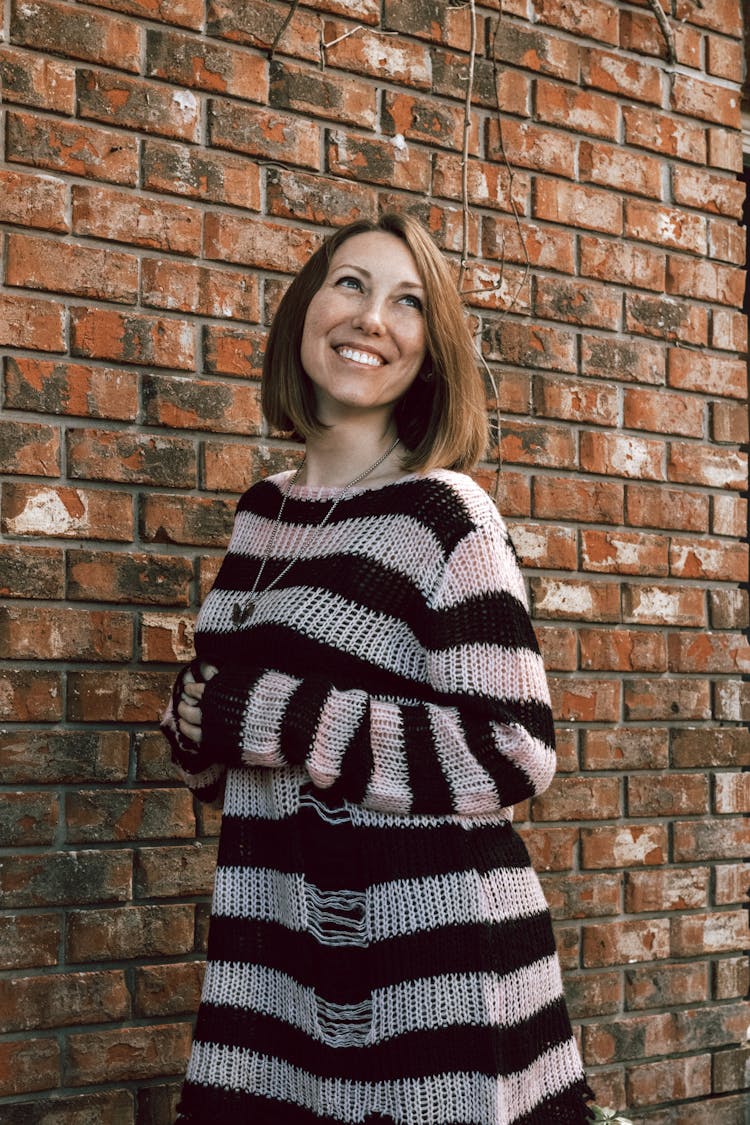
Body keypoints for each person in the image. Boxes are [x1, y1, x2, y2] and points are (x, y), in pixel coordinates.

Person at [161, 212, 595, 1124]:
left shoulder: (447, 517)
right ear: (306, 311)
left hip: (425, 986)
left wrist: (273, 713)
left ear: (427, 354)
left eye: (407, 303)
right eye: (350, 284)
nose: (372, 318)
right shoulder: (261, 515)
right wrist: (197, 719)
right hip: (274, 969)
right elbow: (229, 750)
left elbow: (513, 751)